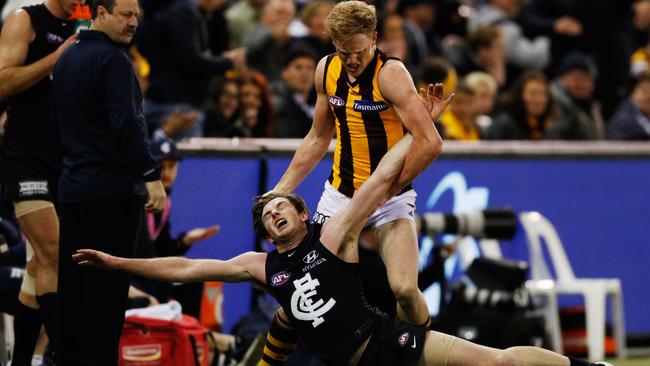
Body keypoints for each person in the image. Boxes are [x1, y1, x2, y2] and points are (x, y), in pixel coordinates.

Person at [73, 130, 611, 366]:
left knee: (498, 362)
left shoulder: (334, 237)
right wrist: (117, 261)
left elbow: (377, 183)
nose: (276, 211)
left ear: (305, 213)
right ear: (264, 231)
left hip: (389, 342)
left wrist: (414, 131)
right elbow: (186, 268)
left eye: (283, 205)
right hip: (349, 362)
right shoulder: (261, 266)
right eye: (266, 213)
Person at [270, 0, 444, 329]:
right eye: (343, 51)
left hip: (390, 199)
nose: (351, 60)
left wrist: (390, 188)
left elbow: (430, 142)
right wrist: (280, 190)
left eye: (359, 51)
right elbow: (317, 138)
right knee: (305, 290)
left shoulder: (391, 74)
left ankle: (417, 352)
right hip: (340, 196)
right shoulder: (326, 69)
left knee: (406, 290)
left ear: (375, 38)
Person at [50, 0, 166, 364]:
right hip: (111, 195)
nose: (133, 23)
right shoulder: (115, 61)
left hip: (72, 191)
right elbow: (128, 124)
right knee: (105, 299)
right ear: (100, 12)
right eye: (125, 15)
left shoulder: (67, 57)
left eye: (137, 16)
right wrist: (151, 175)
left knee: (73, 295)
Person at [0, 0, 76, 361]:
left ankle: (22, 361)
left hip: (65, 157)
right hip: (24, 155)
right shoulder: (25, 20)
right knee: (54, 253)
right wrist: (57, 57)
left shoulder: (90, 23)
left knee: (39, 268)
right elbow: (2, 82)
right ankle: (65, 351)